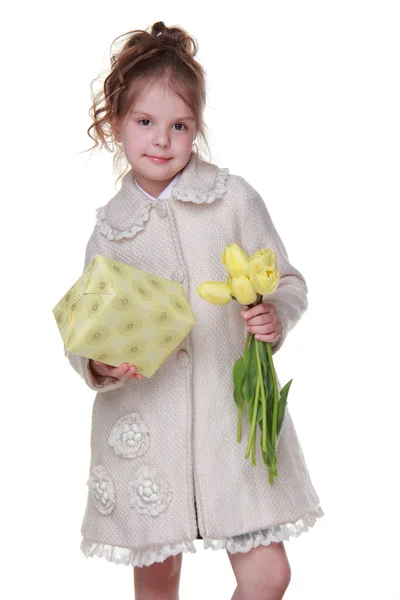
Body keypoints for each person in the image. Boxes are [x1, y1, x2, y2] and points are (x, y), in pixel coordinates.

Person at [64, 20, 324, 600]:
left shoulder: (231, 198)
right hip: (148, 428)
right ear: (115, 125)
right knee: (159, 581)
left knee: (268, 574)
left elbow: (288, 279)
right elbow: (86, 331)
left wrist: (275, 312)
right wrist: (99, 366)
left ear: (196, 129)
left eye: (179, 125)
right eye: (145, 122)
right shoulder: (112, 230)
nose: (162, 140)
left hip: (230, 420)